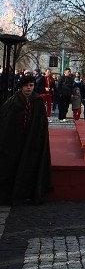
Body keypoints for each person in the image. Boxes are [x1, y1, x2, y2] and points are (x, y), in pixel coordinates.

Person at [0, 74, 52, 205]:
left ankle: (28, 193)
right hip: (15, 140)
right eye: (26, 86)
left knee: (29, 166)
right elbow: (5, 120)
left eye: (31, 85)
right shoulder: (13, 101)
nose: (29, 88)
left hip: (31, 140)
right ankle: (11, 194)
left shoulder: (38, 102)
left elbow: (41, 122)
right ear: (21, 87)